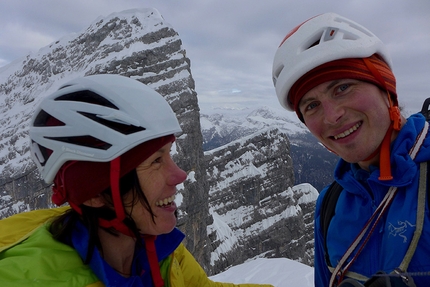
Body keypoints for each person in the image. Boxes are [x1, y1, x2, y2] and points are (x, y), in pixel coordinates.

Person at [0, 74, 274, 287]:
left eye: (169, 154)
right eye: (155, 161)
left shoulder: (161, 250)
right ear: (94, 193)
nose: (180, 175)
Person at [272, 12, 430, 287]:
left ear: (385, 88)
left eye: (342, 87)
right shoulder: (330, 205)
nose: (332, 116)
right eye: (311, 105)